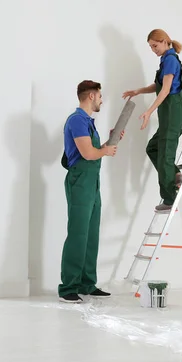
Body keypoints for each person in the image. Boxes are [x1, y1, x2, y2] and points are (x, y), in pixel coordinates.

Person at [58, 80, 122, 303]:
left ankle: (86, 283)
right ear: (91, 96)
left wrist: (109, 142)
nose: (102, 100)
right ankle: (68, 287)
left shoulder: (87, 122)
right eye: (100, 96)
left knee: (91, 233)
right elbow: (87, 153)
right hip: (81, 181)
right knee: (78, 233)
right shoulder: (77, 120)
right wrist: (105, 150)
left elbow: (94, 150)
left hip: (92, 182)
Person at [122, 28, 182, 213]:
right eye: (151, 47)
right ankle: (175, 174)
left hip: (173, 115)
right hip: (171, 116)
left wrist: (149, 111)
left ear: (165, 41)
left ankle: (169, 199)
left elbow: (166, 89)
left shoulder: (170, 59)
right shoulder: (166, 59)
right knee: (153, 148)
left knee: (165, 156)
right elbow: (159, 85)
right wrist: (138, 91)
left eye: (155, 45)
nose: (154, 50)